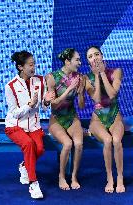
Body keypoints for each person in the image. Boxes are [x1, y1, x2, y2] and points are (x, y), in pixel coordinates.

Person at [4, 50, 55, 199]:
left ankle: (24, 166)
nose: (34, 67)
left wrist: (46, 100)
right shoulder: (10, 86)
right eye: (30, 65)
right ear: (20, 67)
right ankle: (34, 183)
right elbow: (14, 113)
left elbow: (45, 107)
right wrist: (29, 105)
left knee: (39, 149)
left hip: (33, 125)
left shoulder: (40, 81)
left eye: (34, 64)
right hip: (15, 125)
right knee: (28, 144)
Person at [85, 46, 125, 193]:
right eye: (90, 56)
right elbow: (96, 98)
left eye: (96, 54)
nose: (94, 58)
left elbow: (112, 94)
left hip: (115, 116)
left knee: (116, 141)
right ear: (88, 62)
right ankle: (110, 177)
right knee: (107, 141)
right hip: (97, 119)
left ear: (102, 56)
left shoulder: (116, 72)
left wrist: (102, 73)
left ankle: (120, 176)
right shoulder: (86, 78)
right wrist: (96, 75)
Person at [46, 48, 85, 190]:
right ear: (67, 61)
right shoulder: (52, 77)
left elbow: (81, 106)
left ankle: (74, 176)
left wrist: (80, 93)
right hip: (56, 118)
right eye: (77, 60)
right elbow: (54, 104)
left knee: (79, 144)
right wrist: (69, 90)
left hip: (72, 116)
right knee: (67, 144)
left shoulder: (80, 77)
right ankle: (61, 177)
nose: (80, 63)